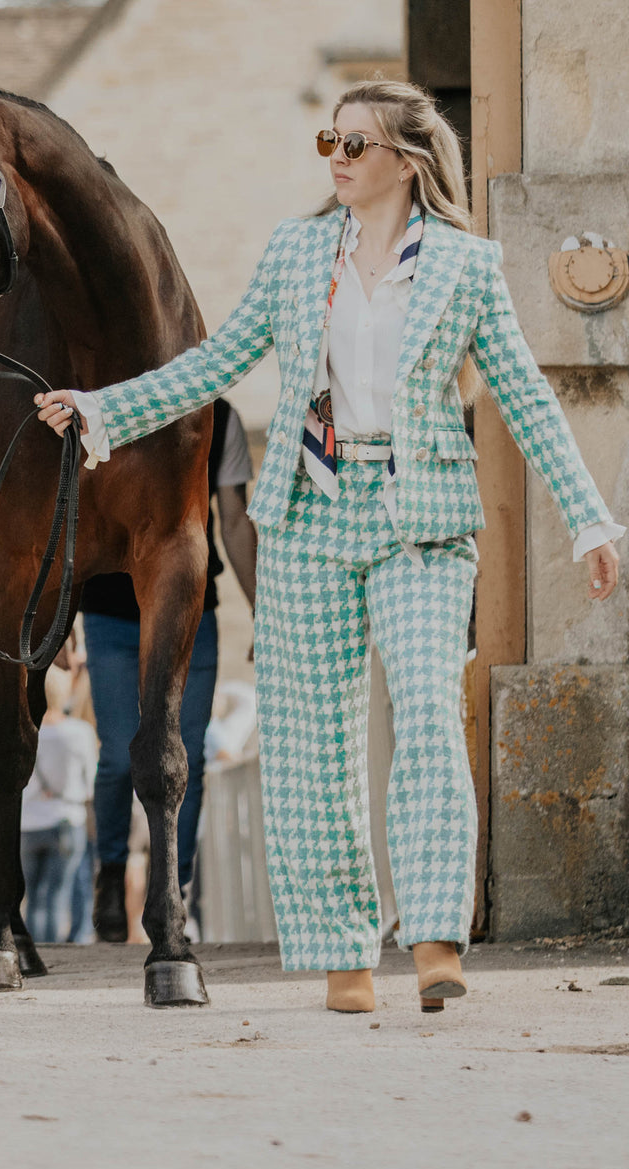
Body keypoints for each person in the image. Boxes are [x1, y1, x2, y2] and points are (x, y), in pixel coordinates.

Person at [35, 79, 622, 1014]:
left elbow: (524, 393)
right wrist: (105, 407)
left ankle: (433, 935)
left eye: (354, 144)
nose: (337, 158)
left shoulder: (468, 267)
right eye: (330, 141)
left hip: (421, 514)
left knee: (429, 710)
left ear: (408, 160)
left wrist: (590, 518)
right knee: (312, 742)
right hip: (309, 513)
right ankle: (343, 951)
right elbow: (217, 362)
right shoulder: (298, 252)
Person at [81, 396, 257, 941]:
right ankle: (111, 872)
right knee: (115, 756)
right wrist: (58, 616)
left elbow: (232, 520)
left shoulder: (221, 415)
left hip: (189, 610)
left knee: (190, 757)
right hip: (110, 610)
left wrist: (264, 610)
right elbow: (74, 513)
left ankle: (172, 887)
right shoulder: (105, 404)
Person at [20, 664, 97, 943]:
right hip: (66, 820)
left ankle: (31, 952)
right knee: (57, 895)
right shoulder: (79, 733)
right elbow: (91, 782)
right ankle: (51, 955)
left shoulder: (25, 732)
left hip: (28, 823)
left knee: (34, 899)